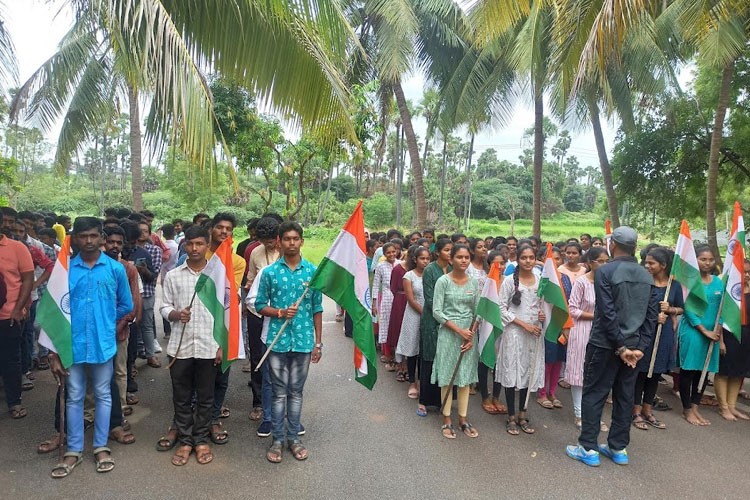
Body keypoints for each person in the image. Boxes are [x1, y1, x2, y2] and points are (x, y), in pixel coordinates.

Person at [566, 226, 658, 467]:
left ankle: (588, 447)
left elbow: (606, 313)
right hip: (633, 348)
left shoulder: (605, 271)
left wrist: (620, 346)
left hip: (605, 344)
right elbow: (651, 316)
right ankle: (618, 447)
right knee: (625, 395)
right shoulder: (646, 275)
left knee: (595, 393)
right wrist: (640, 348)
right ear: (635, 247)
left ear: (613, 245)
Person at [48, 217, 133, 477]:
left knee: (104, 395)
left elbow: (126, 306)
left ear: (102, 238)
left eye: (93, 236)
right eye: (82, 236)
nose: (88, 241)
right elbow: (53, 313)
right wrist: (53, 352)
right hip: (70, 345)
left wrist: (106, 324)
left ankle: (100, 446)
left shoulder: (115, 269)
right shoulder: (64, 269)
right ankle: (73, 450)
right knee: (74, 396)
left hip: (103, 344)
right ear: (74, 239)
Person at [256, 221, 323, 463]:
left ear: (301, 241)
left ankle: (293, 438)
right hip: (277, 340)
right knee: (278, 393)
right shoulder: (269, 273)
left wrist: (318, 342)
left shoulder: (313, 273)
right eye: (287, 239)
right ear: (279, 242)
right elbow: (259, 305)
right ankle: (277, 440)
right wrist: (280, 313)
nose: (291, 243)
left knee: (296, 392)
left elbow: (317, 308)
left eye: (296, 239)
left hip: (304, 342)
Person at [160, 224, 221, 466]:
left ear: (208, 245)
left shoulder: (217, 276)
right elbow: (163, 306)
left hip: (208, 346)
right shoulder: (174, 276)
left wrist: (222, 346)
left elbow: (226, 314)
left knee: (206, 397)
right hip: (180, 347)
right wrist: (175, 314)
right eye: (190, 244)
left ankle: (201, 439)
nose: (194, 248)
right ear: (184, 245)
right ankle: (185, 441)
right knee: (181, 397)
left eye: (199, 244)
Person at [206, 213, 247, 445]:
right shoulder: (199, 253)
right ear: (211, 229)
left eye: (228, 229)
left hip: (225, 320)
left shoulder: (238, 262)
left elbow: (229, 292)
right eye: (219, 227)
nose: (223, 232)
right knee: (198, 373)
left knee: (222, 372)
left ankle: (213, 416)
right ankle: (194, 415)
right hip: (199, 321)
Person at [432, 244, 480, 439]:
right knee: (447, 376)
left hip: (468, 335)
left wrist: (471, 335)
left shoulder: (475, 282)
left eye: (467, 257)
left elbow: (478, 312)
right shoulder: (443, 281)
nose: (463, 260)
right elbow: (437, 311)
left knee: (465, 378)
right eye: (459, 257)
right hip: (449, 334)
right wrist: (459, 330)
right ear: (451, 260)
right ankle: (446, 418)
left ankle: (462, 418)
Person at [632, 247, 683, 430]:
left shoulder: (673, 285)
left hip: (664, 333)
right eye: (646, 262)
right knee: (640, 372)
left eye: (651, 263)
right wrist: (653, 317)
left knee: (655, 373)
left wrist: (670, 310)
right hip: (644, 332)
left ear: (663, 265)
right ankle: (635, 410)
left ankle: (648, 409)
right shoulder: (643, 282)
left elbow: (681, 308)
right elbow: (634, 308)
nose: (647, 265)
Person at [497, 245, 545, 435]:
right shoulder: (509, 281)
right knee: (512, 372)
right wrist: (523, 324)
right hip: (514, 333)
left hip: (534, 333)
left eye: (531, 257)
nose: (528, 261)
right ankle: (510, 416)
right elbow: (501, 308)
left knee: (528, 372)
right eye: (524, 257)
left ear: (535, 259)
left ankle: (523, 414)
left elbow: (543, 304)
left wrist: (542, 316)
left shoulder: (540, 279)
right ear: (518, 259)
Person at [678, 245, 723, 426]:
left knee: (704, 372)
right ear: (695, 260)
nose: (707, 263)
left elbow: (723, 308)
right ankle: (687, 409)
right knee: (689, 370)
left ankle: (696, 406)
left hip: (714, 333)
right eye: (703, 259)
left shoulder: (719, 282)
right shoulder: (689, 281)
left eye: (710, 259)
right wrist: (704, 330)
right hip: (693, 330)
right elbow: (687, 308)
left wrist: (718, 329)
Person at [566, 247, 609, 429]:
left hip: (602, 331)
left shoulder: (608, 283)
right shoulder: (582, 282)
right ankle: (579, 414)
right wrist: (597, 315)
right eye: (601, 261)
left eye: (607, 261)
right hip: (583, 330)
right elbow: (573, 309)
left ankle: (593, 415)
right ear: (591, 262)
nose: (605, 265)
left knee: (597, 374)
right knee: (579, 373)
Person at [244, 216, 280, 424]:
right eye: (263, 240)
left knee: (280, 356)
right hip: (258, 313)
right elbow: (249, 280)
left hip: (281, 314)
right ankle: (258, 402)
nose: (267, 244)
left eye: (270, 240)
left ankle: (279, 399)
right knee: (258, 357)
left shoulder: (286, 251)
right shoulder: (255, 252)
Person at [0, 208, 34, 419]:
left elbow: (27, 280)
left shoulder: (17, 248)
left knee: (10, 360)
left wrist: (18, 308)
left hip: (8, 315)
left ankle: (14, 402)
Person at [417, 238, 452, 417]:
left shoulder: (454, 269)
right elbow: (430, 298)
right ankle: (424, 400)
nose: (449, 253)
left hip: (451, 322)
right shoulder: (430, 270)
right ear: (438, 252)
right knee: (429, 359)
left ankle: (442, 400)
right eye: (447, 250)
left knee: (445, 360)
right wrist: (446, 313)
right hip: (432, 321)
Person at [715, 259, 750, 421]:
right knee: (724, 371)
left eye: (749, 272)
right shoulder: (727, 290)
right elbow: (719, 316)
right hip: (729, 334)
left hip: (746, 334)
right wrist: (720, 340)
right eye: (744, 272)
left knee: (738, 372)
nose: (747, 275)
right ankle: (723, 407)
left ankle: (732, 406)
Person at [537, 246, 571, 410]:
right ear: (543, 259)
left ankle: (553, 392)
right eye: (550, 258)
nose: (554, 261)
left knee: (558, 360)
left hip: (561, 325)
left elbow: (568, 303)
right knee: (546, 361)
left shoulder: (565, 279)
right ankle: (542, 393)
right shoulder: (540, 279)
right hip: (545, 325)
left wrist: (567, 326)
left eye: (557, 259)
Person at [397, 245, 429, 399]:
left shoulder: (431, 275)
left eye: (428, 259)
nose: (425, 262)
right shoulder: (408, 276)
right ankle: (412, 382)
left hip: (430, 316)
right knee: (412, 350)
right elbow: (410, 299)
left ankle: (424, 383)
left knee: (424, 350)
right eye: (422, 258)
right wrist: (425, 313)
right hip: (413, 315)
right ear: (415, 259)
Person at [479, 250, 507, 415]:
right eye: (496, 264)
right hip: (486, 326)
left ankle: (496, 396)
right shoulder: (483, 281)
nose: (500, 267)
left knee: (500, 363)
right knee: (484, 361)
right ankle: (485, 396)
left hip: (504, 327)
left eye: (502, 263)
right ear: (489, 265)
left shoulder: (510, 282)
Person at [136, 219, 162, 368]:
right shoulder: (128, 249)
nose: (142, 233)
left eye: (145, 231)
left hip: (146, 292)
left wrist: (143, 269)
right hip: (130, 294)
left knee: (146, 325)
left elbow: (155, 273)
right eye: (139, 230)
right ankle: (133, 357)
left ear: (149, 233)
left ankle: (151, 355)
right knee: (131, 327)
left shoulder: (154, 250)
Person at [373, 242, 398, 369]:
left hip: (399, 297)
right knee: (386, 326)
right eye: (388, 252)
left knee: (397, 326)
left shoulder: (400, 264)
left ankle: (398, 357)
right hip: (387, 297)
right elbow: (376, 285)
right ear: (384, 254)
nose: (391, 254)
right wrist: (374, 303)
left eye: (393, 251)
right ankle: (388, 355)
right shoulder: (380, 266)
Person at [387, 247, 410, 381]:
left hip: (413, 302)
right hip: (400, 302)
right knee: (398, 332)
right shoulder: (397, 269)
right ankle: (399, 364)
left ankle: (408, 366)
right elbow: (393, 287)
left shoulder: (418, 271)